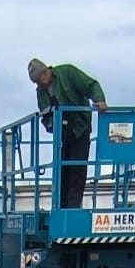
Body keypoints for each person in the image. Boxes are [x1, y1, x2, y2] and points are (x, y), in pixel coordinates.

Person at [28, 59, 107, 208]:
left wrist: (100, 99)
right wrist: (50, 124)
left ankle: (72, 208)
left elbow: (91, 85)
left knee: (76, 170)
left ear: (45, 72)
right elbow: (44, 115)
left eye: (39, 81)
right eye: (36, 83)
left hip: (79, 128)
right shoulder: (41, 92)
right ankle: (61, 206)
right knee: (61, 172)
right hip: (61, 135)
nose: (39, 85)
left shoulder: (68, 73)